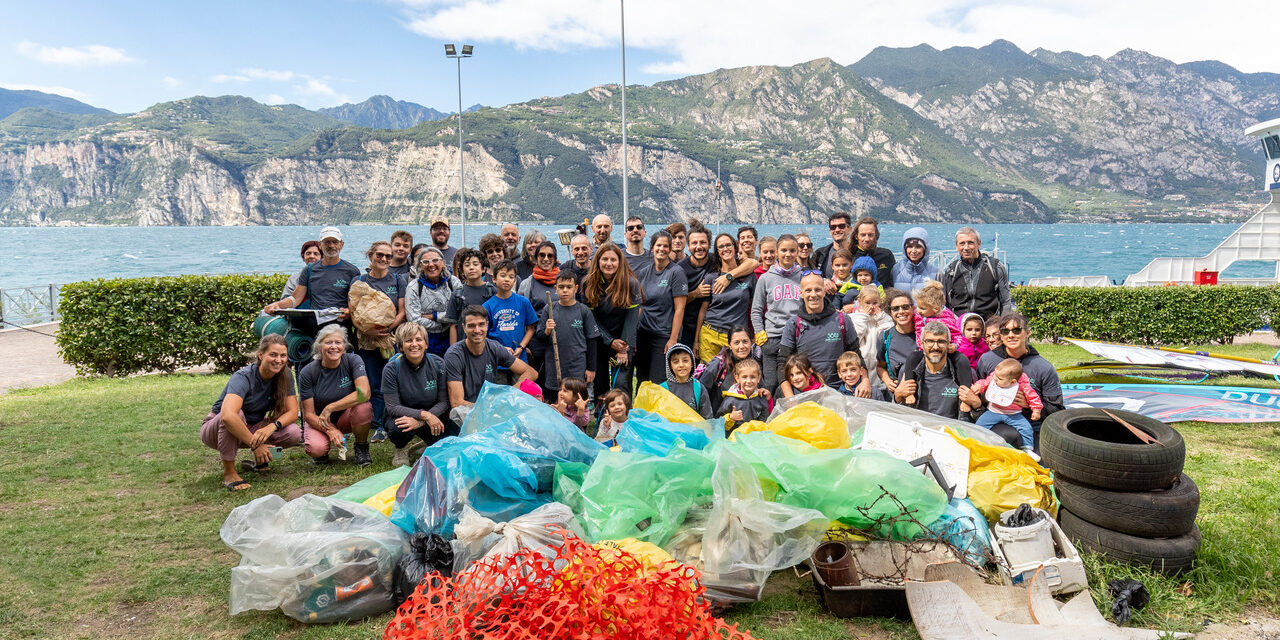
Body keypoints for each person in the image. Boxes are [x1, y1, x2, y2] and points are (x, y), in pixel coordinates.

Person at [201, 334, 302, 491]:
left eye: (283, 355)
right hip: (216, 429)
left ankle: (261, 460)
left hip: (251, 426)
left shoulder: (286, 374)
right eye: (273, 355)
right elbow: (228, 416)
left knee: (293, 432)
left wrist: (271, 427)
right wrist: (256, 445)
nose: (279, 360)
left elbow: (293, 412)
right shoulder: (243, 377)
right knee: (236, 415)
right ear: (261, 355)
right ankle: (229, 473)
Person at [975, 313, 1065, 450]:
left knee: (1039, 467)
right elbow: (978, 396)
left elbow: (1057, 410)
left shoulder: (1044, 367)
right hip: (994, 423)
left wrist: (1028, 405)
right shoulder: (987, 360)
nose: (1010, 335)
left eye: (1016, 330)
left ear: (1027, 333)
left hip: (1030, 427)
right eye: (1005, 331)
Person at [299, 325, 374, 466]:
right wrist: (330, 429)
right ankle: (323, 451)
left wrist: (331, 407)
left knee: (363, 407)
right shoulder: (307, 372)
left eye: (338, 342)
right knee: (316, 449)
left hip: (346, 416)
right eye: (328, 343)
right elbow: (308, 414)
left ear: (344, 346)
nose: (334, 347)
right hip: (320, 419)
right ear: (319, 346)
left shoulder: (353, 360)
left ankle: (361, 447)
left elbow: (364, 393)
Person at [264, 226, 361, 336]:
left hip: (342, 328)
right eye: (327, 242)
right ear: (320, 245)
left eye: (335, 242)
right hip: (315, 329)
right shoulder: (309, 270)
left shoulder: (352, 271)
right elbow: (296, 298)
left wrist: (349, 311)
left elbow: (357, 302)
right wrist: (277, 305)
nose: (331, 245)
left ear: (341, 245)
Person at [354, 241, 406, 442]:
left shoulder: (398, 280)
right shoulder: (359, 280)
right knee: (374, 382)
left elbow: (402, 310)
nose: (384, 259)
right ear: (371, 257)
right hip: (367, 341)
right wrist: (368, 330)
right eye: (380, 255)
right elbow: (353, 311)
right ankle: (378, 425)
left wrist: (388, 329)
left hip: (390, 339)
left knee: (395, 380)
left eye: (388, 256)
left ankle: (393, 420)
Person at [383, 322, 454, 467]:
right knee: (399, 428)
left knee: (453, 437)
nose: (414, 344)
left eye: (418, 339)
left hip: (432, 415)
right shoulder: (391, 368)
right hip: (404, 416)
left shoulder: (438, 364)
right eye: (408, 340)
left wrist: (423, 420)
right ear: (401, 346)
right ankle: (401, 448)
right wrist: (425, 416)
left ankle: (426, 444)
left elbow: (444, 401)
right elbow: (392, 407)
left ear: (426, 344)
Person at [779, 273, 864, 393]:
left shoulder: (842, 320)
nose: (813, 294)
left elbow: (856, 354)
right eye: (808, 290)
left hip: (840, 391)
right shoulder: (793, 324)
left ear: (824, 291)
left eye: (818, 290)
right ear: (801, 293)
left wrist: (864, 381)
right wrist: (790, 397)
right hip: (805, 392)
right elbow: (783, 362)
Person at [444, 305, 538, 408]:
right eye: (471, 326)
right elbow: (457, 403)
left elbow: (532, 373)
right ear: (463, 328)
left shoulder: (494, 347)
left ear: (487, 325)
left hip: (491, 407)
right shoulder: (454, 355)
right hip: (467, 413)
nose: (477, 330)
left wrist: (509, 392)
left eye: (481, 324)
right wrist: (491, 407)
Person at [584, 243, 641, 400]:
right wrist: (609, 341)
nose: (609, 263)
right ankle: (602, 417)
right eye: (605, 259)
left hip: (624, 340)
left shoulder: (631, 284)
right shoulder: (588, 283)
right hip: (599, 340)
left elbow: (632, 318)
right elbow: (591, 319)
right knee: (601, 385)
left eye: (613, 260)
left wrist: (623, 348)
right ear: (598, 261)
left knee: (621, 383)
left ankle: (623, 416)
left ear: (620, 262)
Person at [750, 234, 805, 393]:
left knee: (797, 383)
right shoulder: (766, 278)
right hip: (772, 339)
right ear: (777, 252)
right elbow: (756, 310)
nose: (788, 254)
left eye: (792, 250)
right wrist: (760, 333)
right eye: (784, 250)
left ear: (797, 252)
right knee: (771, 385)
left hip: (797, 337)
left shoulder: (804, 276)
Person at [634, 231, 688, 383]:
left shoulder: (676, 272)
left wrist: (673, 339)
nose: (662, 249)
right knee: (642, 380)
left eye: (666, 246)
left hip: (663, 336)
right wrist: (634, 336)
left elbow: (680, 309)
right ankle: (640, 408)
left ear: (670, 249)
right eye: (659, 245)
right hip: (644, 333)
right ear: (651, 248)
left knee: (658, 381)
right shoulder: (644, 273)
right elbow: (638, 307)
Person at [695, 234, 756, 363]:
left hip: (736, 337)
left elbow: (755, 308)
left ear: (735, 247)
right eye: (721, 247)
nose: (725, 248)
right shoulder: (711, 278)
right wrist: (696, 340)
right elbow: (703, 310)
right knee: (707, 377)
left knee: (736, 375)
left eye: (728, 245)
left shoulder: (749, 276)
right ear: (717, 252)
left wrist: (754, 334)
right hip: (709, 334)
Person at [895, 321, 973, 420]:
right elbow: (897, 412)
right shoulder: (908, 371)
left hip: (950, 432)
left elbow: (974, 417)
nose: (935, 347)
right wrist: (897, 396)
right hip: (918, 429)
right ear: (922, 343)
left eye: (941, 341)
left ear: (948, 344)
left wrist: (977, 406)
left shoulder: (962, 371)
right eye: (930, 341)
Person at [539, 271, 600, 394]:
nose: (565, 290)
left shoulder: (584, 311)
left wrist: (591, 368)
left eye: (569, 287)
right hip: (554, 367)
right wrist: (547, 330)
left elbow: (592, 341)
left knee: (575, 400)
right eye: (561, 287)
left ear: (576, 288)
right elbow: (539, 336)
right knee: (556, 401)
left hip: (577, 367)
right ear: (555, 289)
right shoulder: (549, 309)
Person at [971, 358, 1043, 452]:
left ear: (1012, 382)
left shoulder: (1022, 385)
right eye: (995, 376)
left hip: (1014, 414)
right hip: (993, 411)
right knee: (979, 425)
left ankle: (1027, 448)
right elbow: (984, 382)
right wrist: (978, 386)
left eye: (1000, 379)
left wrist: (1036, 410)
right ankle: (974, 442)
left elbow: (1033, 397)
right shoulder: (995, 377)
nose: (995, 379)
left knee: (1026, 428)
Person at [484, 260, 538, 383]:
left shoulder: (523, 302)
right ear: (494, 279)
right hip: (497, 360)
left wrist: (521, 347)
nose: (506, 279)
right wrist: (501, 349)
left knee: (520, 392)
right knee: (500, 394)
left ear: (515, 280)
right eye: (502, 276)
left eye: (511, 277)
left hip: (519, 358)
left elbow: (530, 329)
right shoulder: (488, 306)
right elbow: (484, 335)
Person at [941, 227, 1012, 320]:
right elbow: (945, 304)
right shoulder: (951, 270)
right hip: (960, 327)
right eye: (962, 243)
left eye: (970, 243)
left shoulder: (995, 267)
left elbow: (1006, 302)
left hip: (989, 325)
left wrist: (1003, 326)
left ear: (978, 244)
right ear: (956, 246)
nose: (966, 248)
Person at [405, 247, 462, 356]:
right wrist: (445, 322)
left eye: (435, 260)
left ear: (443, 262)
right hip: (426, 339)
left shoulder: (453, 283)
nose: (431, 265)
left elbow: (460, 314)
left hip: (452, 335)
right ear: (420, 265)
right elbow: (414, 320)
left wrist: (434, 316)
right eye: (426, 262)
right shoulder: (414, 287)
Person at [516, 242, 561, 375]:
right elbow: (521, 317)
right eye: (542, 255)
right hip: (536, 343)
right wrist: (525, 346)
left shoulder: (563, 282)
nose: (546, 259)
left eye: (550, 255)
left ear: (555, 259)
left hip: (560, 341)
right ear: (535, 258)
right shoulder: (527, 284)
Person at [698, 326, 761, 413]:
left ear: (752, 342)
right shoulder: (718, 364)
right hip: (718, 419)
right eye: (736, 343)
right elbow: (701, 392)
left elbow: (761, 389)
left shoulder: (754, 364)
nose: (741, 346)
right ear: (729, 345)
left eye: (745, 342)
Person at [876, 289, 920, 401]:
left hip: (922, 391)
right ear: (890, 312)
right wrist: (887, 381)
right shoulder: (885, 337)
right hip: (897, 395)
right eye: (895, 308)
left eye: (905, 307)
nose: (901, 311)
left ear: (913, 308)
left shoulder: (923, 334)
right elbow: (880, 366)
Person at [849, 286, 892, 395]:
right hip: (862, 363)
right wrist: (864, 317)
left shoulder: (885, 318)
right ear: (860, 302)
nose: (871, 307)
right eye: (867, 303)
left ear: (880, 302)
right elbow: (856, 337)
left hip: (879, 364)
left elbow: (888, 337)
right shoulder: (853, 318)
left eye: (875, 303)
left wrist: (880, 319)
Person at [448, 248, 496, 342]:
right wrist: (453, 349)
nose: (471, 267)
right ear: (462, 271)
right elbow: (453, 325)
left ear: (483, 269)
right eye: (467, 265)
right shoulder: (457, 294)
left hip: (488, 345)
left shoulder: (492, 291)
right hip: (464, 346)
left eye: (475, 264)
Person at [719, 359, 772, 430]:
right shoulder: (730, 399)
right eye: (744, 377)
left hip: (755, 436)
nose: (749, 381)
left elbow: (765, 420)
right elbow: (718, 423)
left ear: (758, 378)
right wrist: (730, 417)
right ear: (737, 378)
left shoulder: (761, 397)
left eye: (753, 377)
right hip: (734, 437)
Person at [662, 343, 712, 418]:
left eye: (685, 361)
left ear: (692, 363)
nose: (681, 365)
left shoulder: (698, 388)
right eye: (676, 362)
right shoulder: (662, 389)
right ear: (670, 366)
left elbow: (707, 417)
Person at [913, 281, 962, 350]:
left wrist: (954, 345)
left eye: (922, 308)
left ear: (936, 308)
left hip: (941, 350)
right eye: (917, 306)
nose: (918, 310)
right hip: (922, 349)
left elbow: (956, 335)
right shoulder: (918, 315)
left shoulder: (946, 319)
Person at [851, 216, 895, 289]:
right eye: (863, 235)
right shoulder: (850, 256)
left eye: (870, 235)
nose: (867, 239)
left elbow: (893, 281)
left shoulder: (886, 255)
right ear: (856, 236)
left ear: (876, 236)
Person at [891, 227, 937, 295]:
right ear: (904, 249)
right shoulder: (895, 270)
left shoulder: (936, 272)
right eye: (910, 246)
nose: (913, 251)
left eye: (918, 247)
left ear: (925, 249)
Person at [813, 212, 852, 278]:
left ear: (849, 229)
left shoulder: (858, 253)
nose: (837, 230)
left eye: (841, 226)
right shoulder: (820, 254)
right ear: (830, 231)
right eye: (833, 227)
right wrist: (823, 281)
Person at [957, 313, 990, 377]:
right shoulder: (959, 346)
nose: (974, 333)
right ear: (962, 330)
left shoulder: (985, 344)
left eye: (977, 330)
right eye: (969, 330)